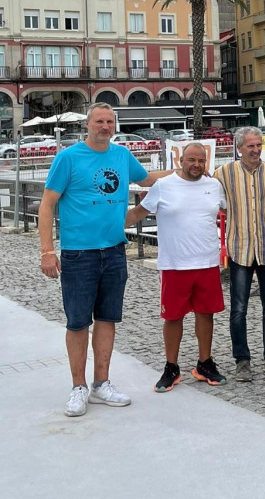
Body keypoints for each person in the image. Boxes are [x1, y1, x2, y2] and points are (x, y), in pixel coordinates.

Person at [38, 102, 170, 416]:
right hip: (78, 253)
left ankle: (101, 383)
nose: (105, 127)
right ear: (88, 125)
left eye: (110, 121)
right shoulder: (67, 158)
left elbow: (149, 179)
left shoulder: (122, 156)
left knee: (108, 319)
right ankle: (78, 387)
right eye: (100, 121)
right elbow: (47, 206)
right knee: (78, 322)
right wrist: (47, 251)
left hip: (114, 251)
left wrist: (185, 170)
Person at [125, 142, 228, 392]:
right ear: (181, 160)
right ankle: (171, 366)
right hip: (174, 264)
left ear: (206, 162)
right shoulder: (164, 185)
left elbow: (234, 210)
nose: (196, 165)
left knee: (206, 314)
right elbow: (138, 213)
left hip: (206, 262)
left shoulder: (214, 186)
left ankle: (204, 363)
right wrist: (107, 225)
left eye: (201, 161)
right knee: (172, 316)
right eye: (191, 160)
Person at [214, 126, 265, 381]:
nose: (256, 150)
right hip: (241, 246)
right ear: (239, 148)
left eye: (259, 145)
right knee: (238, 308)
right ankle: (242, 360)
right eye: (251, 146)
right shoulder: (223, 174)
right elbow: (208, 199)